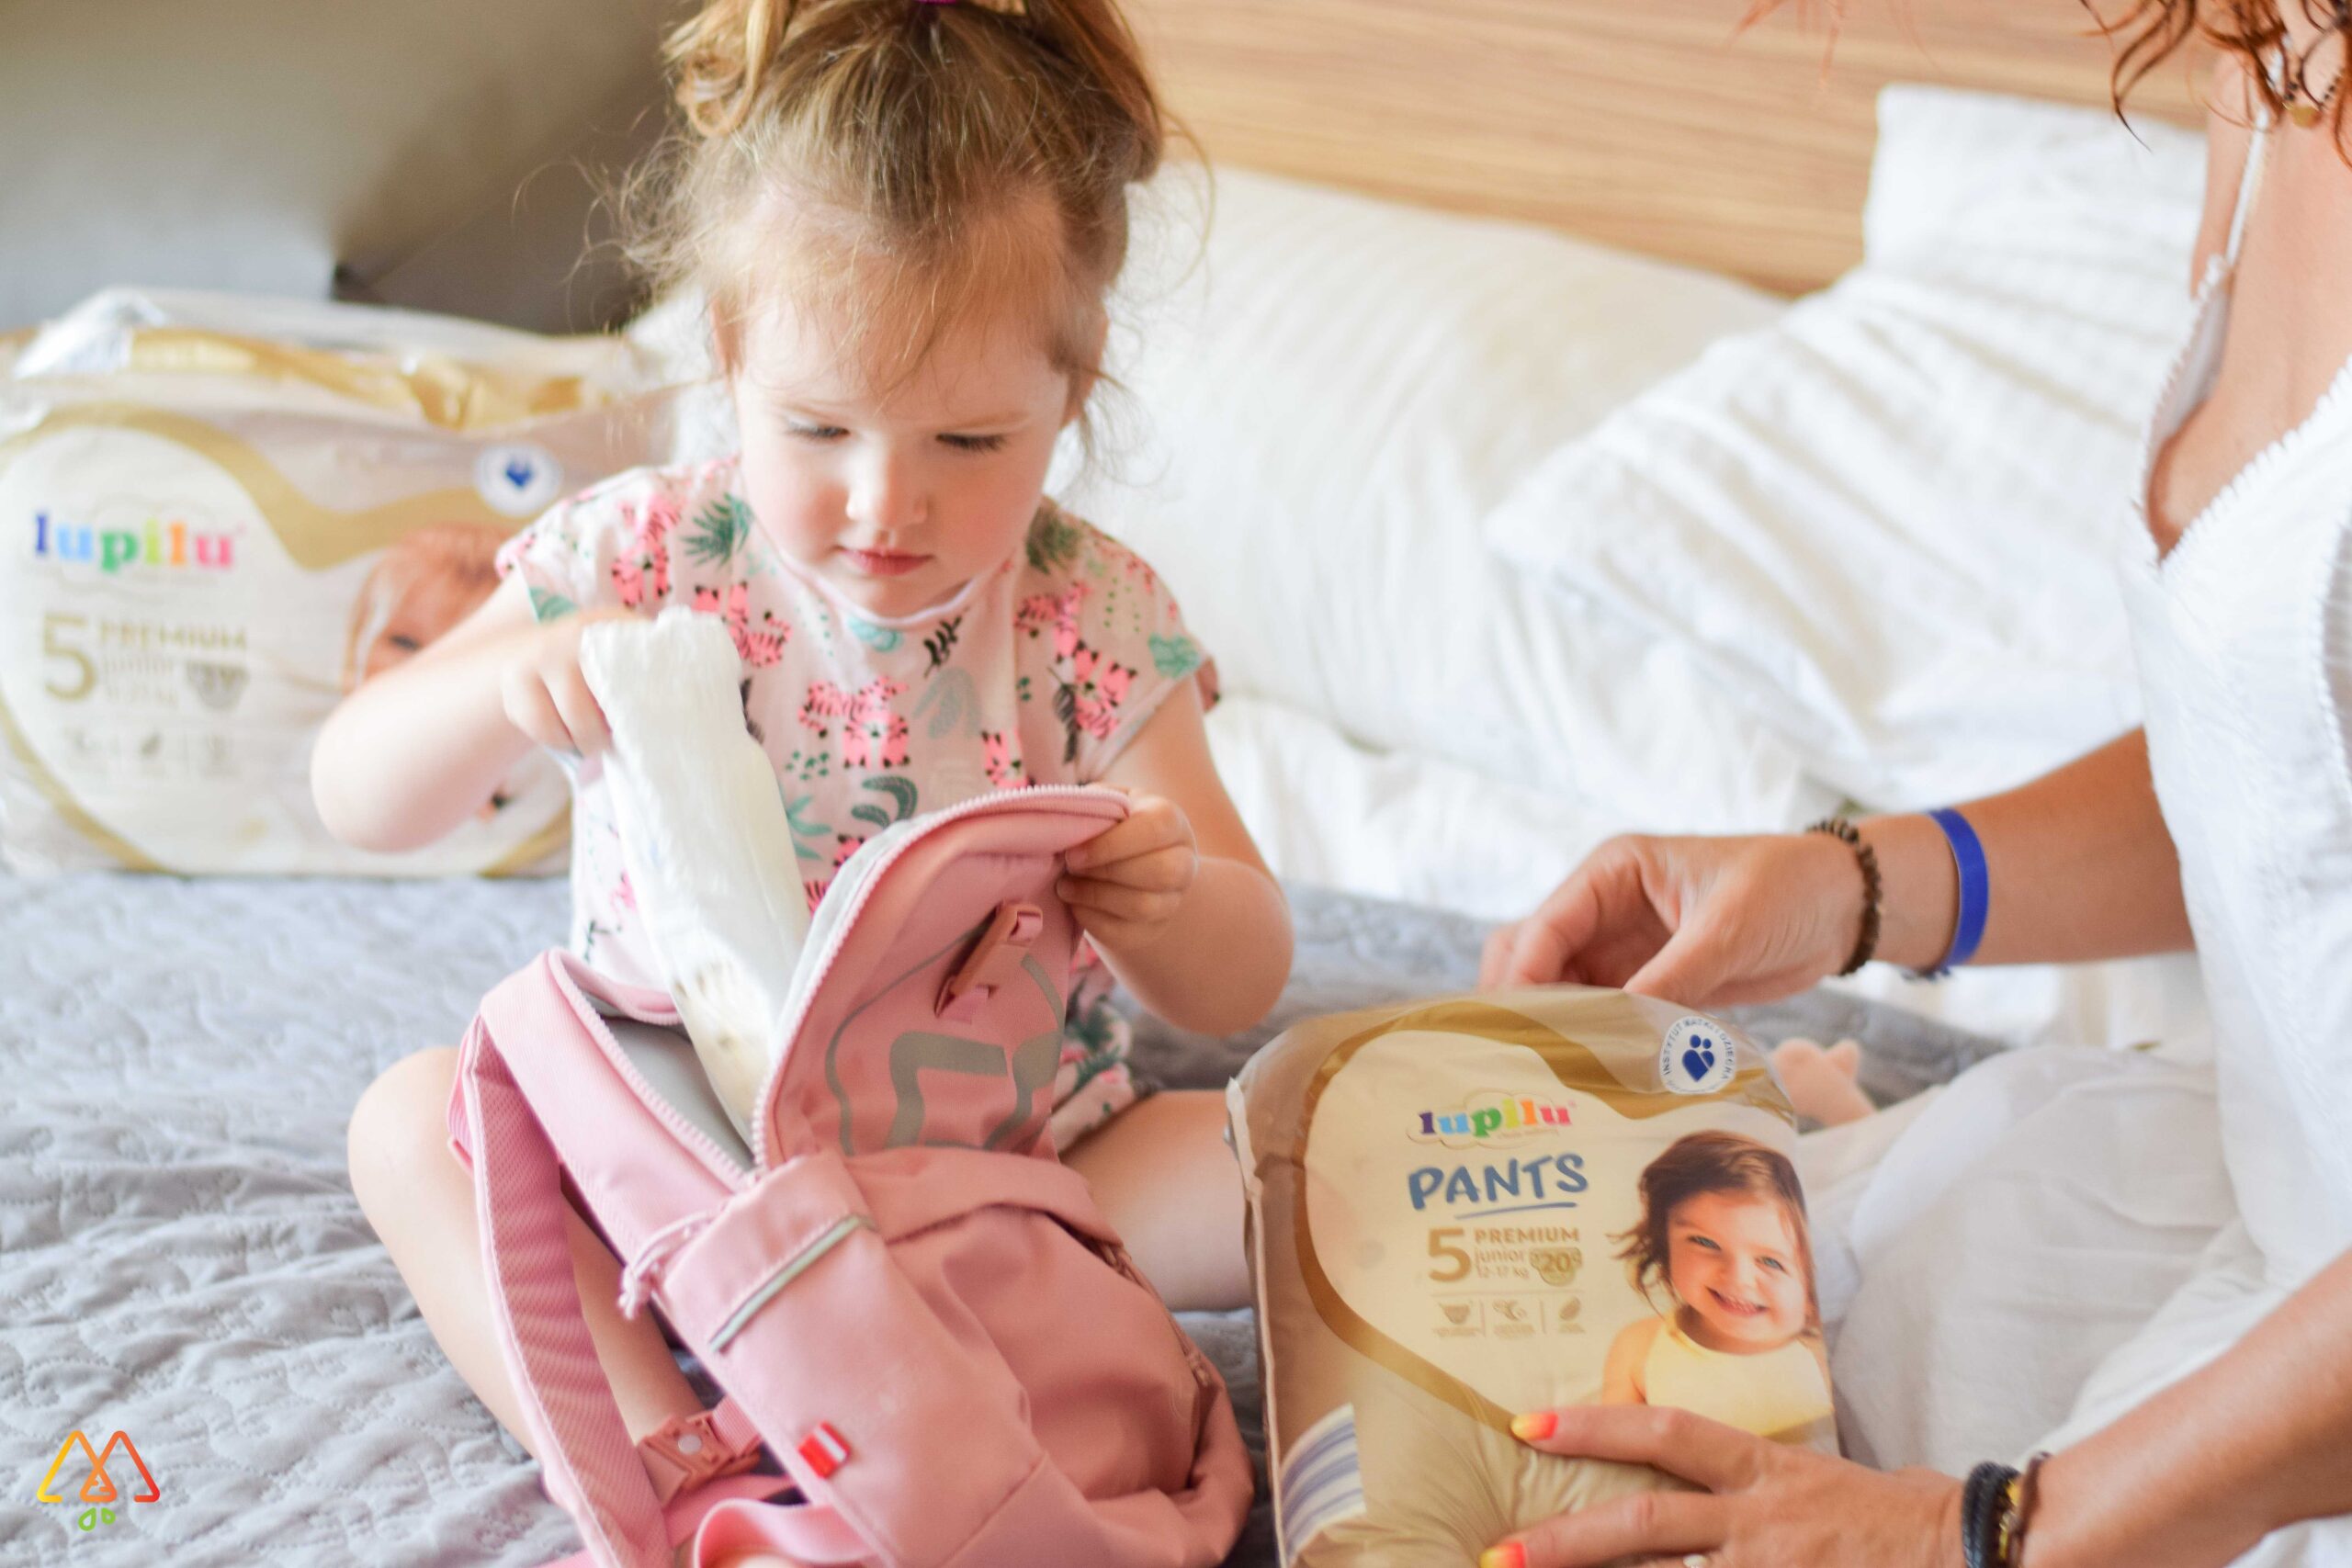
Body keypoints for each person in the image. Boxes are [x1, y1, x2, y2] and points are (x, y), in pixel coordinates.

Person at [317, 0, 1291, 1558]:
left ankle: (874, 1355)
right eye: (816, 425)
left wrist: (1168, 892)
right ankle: (669, 1456)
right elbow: (358, 795)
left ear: (1074, 384)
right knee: (405, 1123)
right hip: (674, 1183)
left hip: (1009, 1179)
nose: (883, 502)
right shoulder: (636, 557)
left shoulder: (1083, 616)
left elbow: (1246, 972)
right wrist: (498, 686)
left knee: (1310, 1141)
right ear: (728, 352)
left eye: (972, 438)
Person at [1476, 6, 2352, 1566]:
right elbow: (2295, 776)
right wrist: (1856, 883)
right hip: (2269, 1225)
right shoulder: (2273, 62)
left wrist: (1988, 1533)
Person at [1599, 1132, 1834, 1447]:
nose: (1737, 1279)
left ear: (1808, 1290)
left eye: (1770, 1262)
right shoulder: (1639, 1346)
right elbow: (1612, 1454)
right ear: (1664, 1242)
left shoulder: (1818, 1353)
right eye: (1706, 1243)